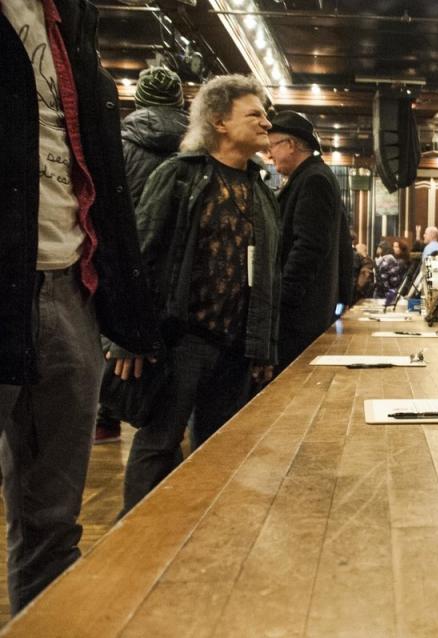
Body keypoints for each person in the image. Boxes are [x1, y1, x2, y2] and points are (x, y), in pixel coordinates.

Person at [1, 0, 160, 612]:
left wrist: (129, 318)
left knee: (53, 523)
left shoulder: (72, 27)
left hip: (71, 286)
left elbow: (102, 182)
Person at [121, 74, 281, 514]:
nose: (267, 122)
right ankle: (134, 543)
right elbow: (141, 252)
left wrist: (263, 348)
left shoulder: (262, 192)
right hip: (181, 341)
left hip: (236, 348)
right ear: (219, 121)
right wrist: (127, 336)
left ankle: (200, 542)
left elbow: (269, 276)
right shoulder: (178, 175)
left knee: (221, 454)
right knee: (157, 446)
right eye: (255, 114)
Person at [95, 65, 188, 444]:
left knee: (115, 336)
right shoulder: (196, 148)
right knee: (177, 345)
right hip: (181, 264)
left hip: (124, 255)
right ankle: (169, 421)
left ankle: (107, 417)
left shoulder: (117, 142)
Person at [266, 111, 351, 371]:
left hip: (301, 314)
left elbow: (309, 247)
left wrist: (283, 296)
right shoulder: (313, 176)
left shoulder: (314, 179)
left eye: (272, 147)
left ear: (290, 145)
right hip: (307, 310)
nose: (269, 155)